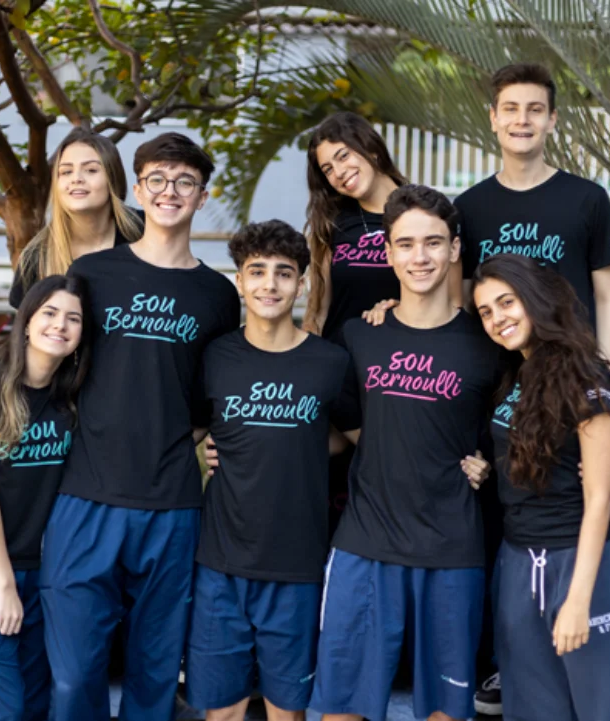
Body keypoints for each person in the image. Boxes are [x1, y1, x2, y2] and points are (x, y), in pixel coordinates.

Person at [38, 132, 240, 721]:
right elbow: (44, 374)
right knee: (74, 674)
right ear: (139, 190)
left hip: (171, 504)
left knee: (154, 673)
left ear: (202, 196)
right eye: (157, 179)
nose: (169, 191)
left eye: (184, 182)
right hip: (86, 496)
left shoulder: (218, 295)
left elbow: (211, 398)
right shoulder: (91, 274)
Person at [311, 184, 499, 721]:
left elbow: (510, 430)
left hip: (452, 548)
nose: (420, 257)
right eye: (407, 244)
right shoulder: (359, 336)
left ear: (455, 249)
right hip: (365, 543)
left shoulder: (487, 344)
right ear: (388, 252)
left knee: (445, 709)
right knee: (341, 707)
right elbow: (346, 428)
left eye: (433, 243)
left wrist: (488, 461)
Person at [186, 220, 349, 721]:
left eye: (284, 273)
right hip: (220, 563)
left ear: (301, 284)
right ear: (239, 281)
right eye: (257, 271)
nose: (269, 284)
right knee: (222, 710)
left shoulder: (330, 362)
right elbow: (187, 433)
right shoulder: (215, 357)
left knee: (287, 711)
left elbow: (360, 437)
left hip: (297, 565)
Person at [473, 253, 610, 721]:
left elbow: (599, 496)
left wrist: (578, 599)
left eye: (507, 302)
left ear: (535, 299)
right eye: (485, 311)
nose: (497, 318)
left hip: (578, 558)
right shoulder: (516, 373)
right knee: (530, 706)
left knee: (600, 708)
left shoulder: (586, 375)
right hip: (519, 559)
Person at [0, 274, 93, 721]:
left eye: (73, 318)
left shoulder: (75, 398)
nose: (60, 325)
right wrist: (5, 585)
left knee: (34, 705)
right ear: (27, 321)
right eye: (50, 313)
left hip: (48, 574)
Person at [455, 62, 610, 374]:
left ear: (551, 120)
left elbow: (608, 297)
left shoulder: (588, 199)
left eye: (535, 110)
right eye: (510, 109)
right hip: (495, 379)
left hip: (573, 375)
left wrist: (607, 376)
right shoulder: (468, 207)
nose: (522, 119)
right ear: (493, 118)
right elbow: (461, 300)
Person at [301, 111, 408, 538]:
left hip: (397, 376)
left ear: (371, 147)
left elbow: (452, 302)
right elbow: (317, 309)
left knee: (395, 481)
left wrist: (403, 305)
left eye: (344, 156)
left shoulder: (422, 211)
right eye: (328, 168)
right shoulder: (333, 223)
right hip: (340, 379)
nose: (339, 172)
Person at [9, 127, 144, 308]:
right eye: (66, 172)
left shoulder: (146, 230)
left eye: (91, 170)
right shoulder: (36, 257)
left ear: (113, 178)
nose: (76, 179)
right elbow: (28, 324)